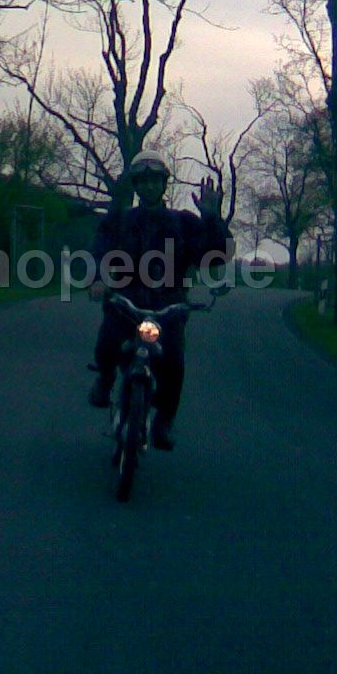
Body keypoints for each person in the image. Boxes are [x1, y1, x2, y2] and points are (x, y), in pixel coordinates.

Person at [86, 148, 231, 450]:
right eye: (143, 181)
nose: (149, 186)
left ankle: (164, 420)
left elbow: (216, 255)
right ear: (136, 185)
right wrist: (98, 279)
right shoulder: (119, 221)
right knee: (108, 342)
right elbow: (99, 250)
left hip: (169, 306)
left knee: (173, 362)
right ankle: (105, 378)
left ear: (164, 184)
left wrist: (212, 218)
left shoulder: (184, 223)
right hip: (126, 300)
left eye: (155, 180)